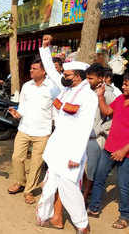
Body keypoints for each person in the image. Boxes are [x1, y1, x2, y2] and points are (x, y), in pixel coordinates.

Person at [36, 35, 98, 234]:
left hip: (72, 151)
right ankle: (44, 216)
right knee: (49, 185)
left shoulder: (88, 97)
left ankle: (82, 225)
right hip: (56, 147)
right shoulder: (66, 89)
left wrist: (75, 156)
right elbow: (53, 71)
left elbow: (84, 127)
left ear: (78, 76)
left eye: (68, 74)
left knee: (68, 189)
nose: (64, 76)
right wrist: (45, 49)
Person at [7, 58, 59, 204]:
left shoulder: (53, 88)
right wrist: (17, 114)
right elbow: (22, 106)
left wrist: (56, 129)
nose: (31, 71)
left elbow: (56, 110)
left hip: (42, 132)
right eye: (31, 68)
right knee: (17, 157)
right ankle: (20, 181)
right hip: (24, 128)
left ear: (43, 71)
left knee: (36, 164)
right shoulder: (26, 86)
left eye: (34, 68)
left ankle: (28, 191)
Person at [88, 72, 129, 230]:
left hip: (125, 152)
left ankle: (124, 216)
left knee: (123, 184)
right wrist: (100, 97)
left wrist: (123, 151)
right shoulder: (120, 99)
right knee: (99, 177)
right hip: (109, 147)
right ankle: (94, 207)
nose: (123, 86)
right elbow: (106, 112)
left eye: (126, 84)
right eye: (124, 83)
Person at [82, 64, 115, 203]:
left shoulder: (108, 94)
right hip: (82, 136)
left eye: (91, 78)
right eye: (87, 78)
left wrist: (99, 130)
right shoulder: (85, 91)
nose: (88, 81)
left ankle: (85, 197)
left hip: (95, 139)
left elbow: (114, 118)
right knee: (81, 168)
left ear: (101, 78)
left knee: (91, 169)